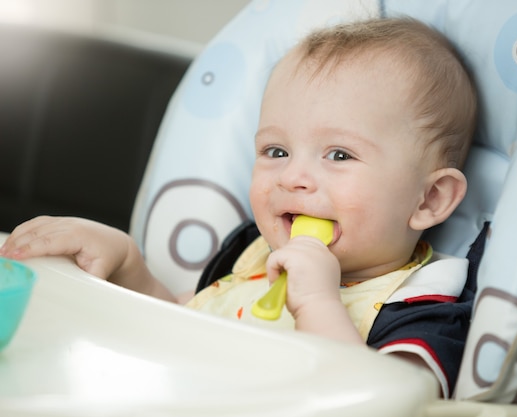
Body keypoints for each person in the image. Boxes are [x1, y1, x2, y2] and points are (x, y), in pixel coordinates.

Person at [0, 17, 477, 398]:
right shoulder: (250, 252)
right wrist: (128, 266)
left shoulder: (425, 307)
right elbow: (189, 328)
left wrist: (317, 303)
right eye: (276, 151)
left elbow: (383, 401)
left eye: (339, 155)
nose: (292, 177)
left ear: (429, 199)